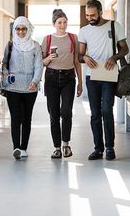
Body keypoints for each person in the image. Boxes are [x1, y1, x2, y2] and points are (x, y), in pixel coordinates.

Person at [78, 0, 129, 161]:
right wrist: (85, 57)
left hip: (109, 75)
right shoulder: (84, 31)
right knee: (95, 114)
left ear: (101, 12)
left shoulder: (115, 26)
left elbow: (125, 48)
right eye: (87, 15)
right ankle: (98, 148)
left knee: (107, 110)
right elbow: (79, 55)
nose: (89, 18)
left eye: (93, 15)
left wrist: (114, 57)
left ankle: (110, 147)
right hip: (91, 76)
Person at [42, 9, 83, 159]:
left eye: (65, 22)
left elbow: (77, 62)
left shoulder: (73, 38)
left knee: (66, 112)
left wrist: (80, 83)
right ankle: (57, 148)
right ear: (54, 24)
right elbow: (41, 63)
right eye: (59, 22)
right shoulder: (47, 39)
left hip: (69, 78)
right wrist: (49, 58)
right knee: (54, 114)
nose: (62, 25)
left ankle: (66, 145)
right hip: (51, 78)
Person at [2, 16, 43, 160]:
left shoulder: (35, 46)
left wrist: (35, 80)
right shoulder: (10, 45)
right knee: (15, 118)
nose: (20, 32)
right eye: (18, 29)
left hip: (30, 88)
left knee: (26, 119)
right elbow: (4, 64)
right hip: (12, 87)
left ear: (28, 29)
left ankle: (24, 147)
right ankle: (16, 148)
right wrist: (6, 75)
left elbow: (39, 65)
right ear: (14, 30)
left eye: (23, 29)